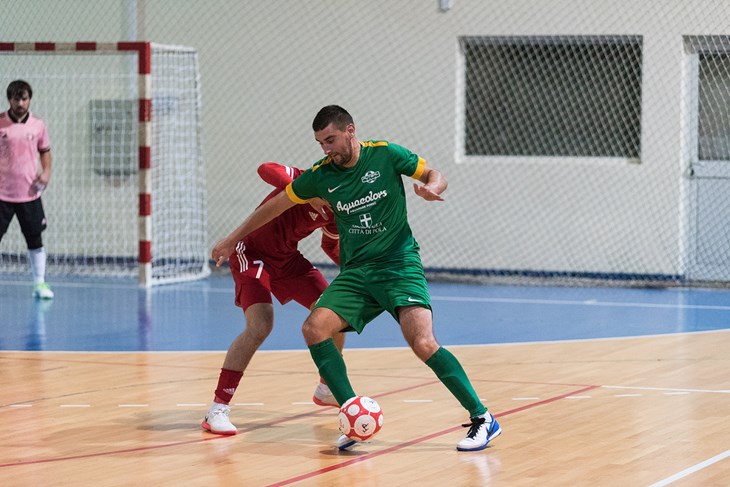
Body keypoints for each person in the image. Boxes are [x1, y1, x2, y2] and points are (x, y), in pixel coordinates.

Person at [211, 105, 501, 452]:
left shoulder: (386, 154)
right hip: (358, 273)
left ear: (350, 130)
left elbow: (433, 173)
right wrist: (231, 239)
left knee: (422, 342)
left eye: (331, 139)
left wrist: (431, 187)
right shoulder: (319, 177)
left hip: (398, 265)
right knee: (314, 327)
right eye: (320, 143)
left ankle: (483, 418)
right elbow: (274, 207)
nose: (326, 149)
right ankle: (352, 414)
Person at [202, 161, 345, 435]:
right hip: (251, 252)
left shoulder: (341, 205)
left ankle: (327, 387)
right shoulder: (309, 180)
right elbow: (266, 168)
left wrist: (355, 271)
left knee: (334, 311)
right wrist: (307, 192)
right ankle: (217, 409)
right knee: (260, 326)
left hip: (286, 259)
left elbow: (330, 244)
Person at [0, 80, 54, 299]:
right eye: (16, 98)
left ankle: (39, 284)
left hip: (30, 193)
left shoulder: (38, 125)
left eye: (24, 98)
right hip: (2, 194)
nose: (20, 103)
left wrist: (47, 171)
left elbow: (45, 151)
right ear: (9, 99)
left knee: (35, 240)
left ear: (29, 99)